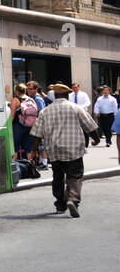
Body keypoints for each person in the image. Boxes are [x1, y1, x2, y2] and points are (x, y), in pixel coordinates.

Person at [30, 83, 98, 217]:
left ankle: (60, 204)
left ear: (55, 95)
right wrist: (96, 139)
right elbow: (89, 126)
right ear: (67, 95)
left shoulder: (45, 111)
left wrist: (34, 152)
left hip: (54, 150)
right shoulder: (75, 108)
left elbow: (37, 133)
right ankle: (72, 199)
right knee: (75, 176)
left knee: (58, 177)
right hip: (73, 148)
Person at [10, 84, 29, 161]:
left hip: (18, 126)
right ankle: (30, 165)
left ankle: (14, 164)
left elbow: (12, 115)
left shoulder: (15, 100)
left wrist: (10, 126)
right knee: (28, 148)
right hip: (29, 126)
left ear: (17, 91)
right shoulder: (30, 99)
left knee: (15, 147)